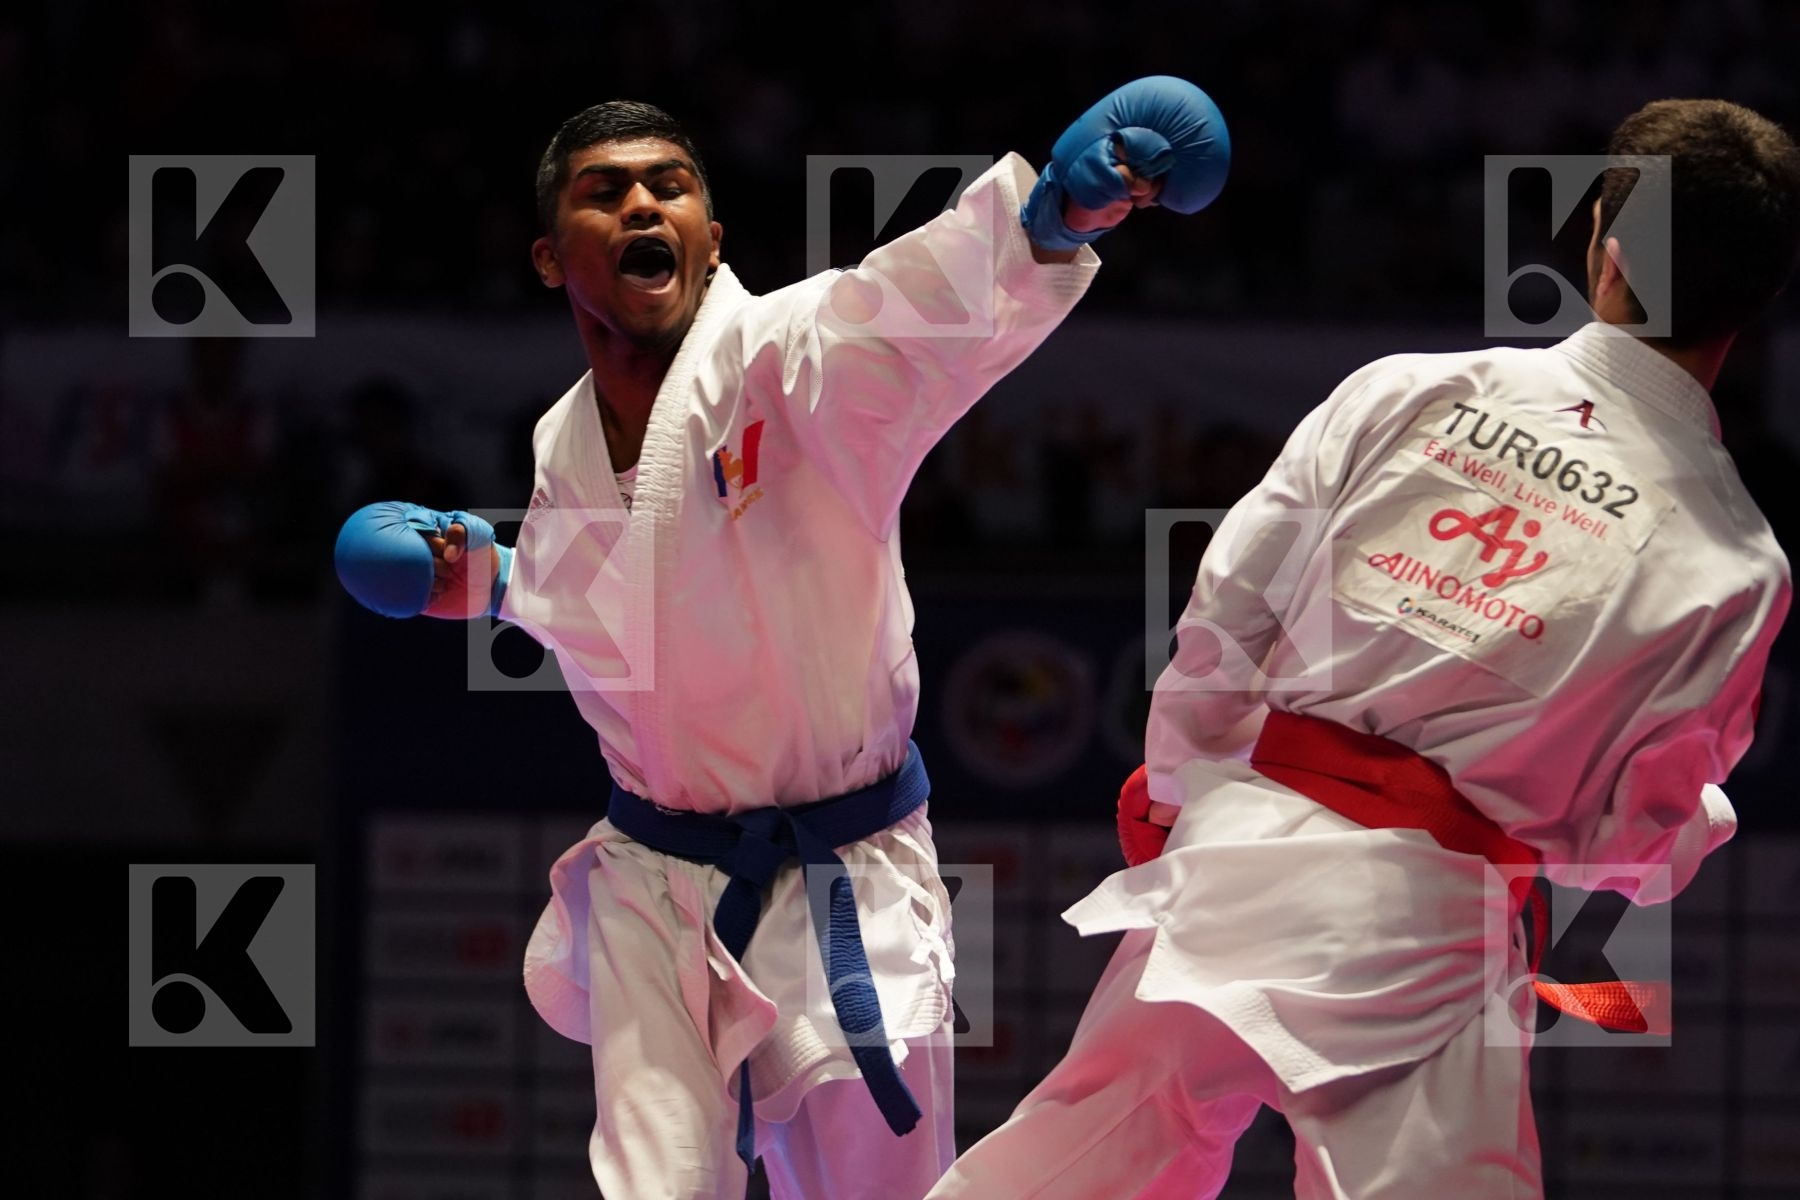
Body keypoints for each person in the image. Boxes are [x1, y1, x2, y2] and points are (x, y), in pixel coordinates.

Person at [334, 82, 1230, 1198]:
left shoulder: (793, 358)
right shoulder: (562, 441)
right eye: (605, 193)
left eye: (669, 186)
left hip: (841, 871)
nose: (643, 206)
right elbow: (614, 609)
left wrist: (1050, 217)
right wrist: (491, 582)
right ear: (551, 259)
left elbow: (909, 315)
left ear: (712, 239)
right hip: (654, 881)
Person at [926, 98, 1800, 1200]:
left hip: (1240, 863)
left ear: (1605, 243)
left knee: (1071, 1166)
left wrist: (1184, 799)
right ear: (1761, 298)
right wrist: (1697, 820)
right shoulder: (1735, 565)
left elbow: (1226, 620)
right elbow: (1626, 847)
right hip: (1426, 931)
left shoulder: (1412, 391)